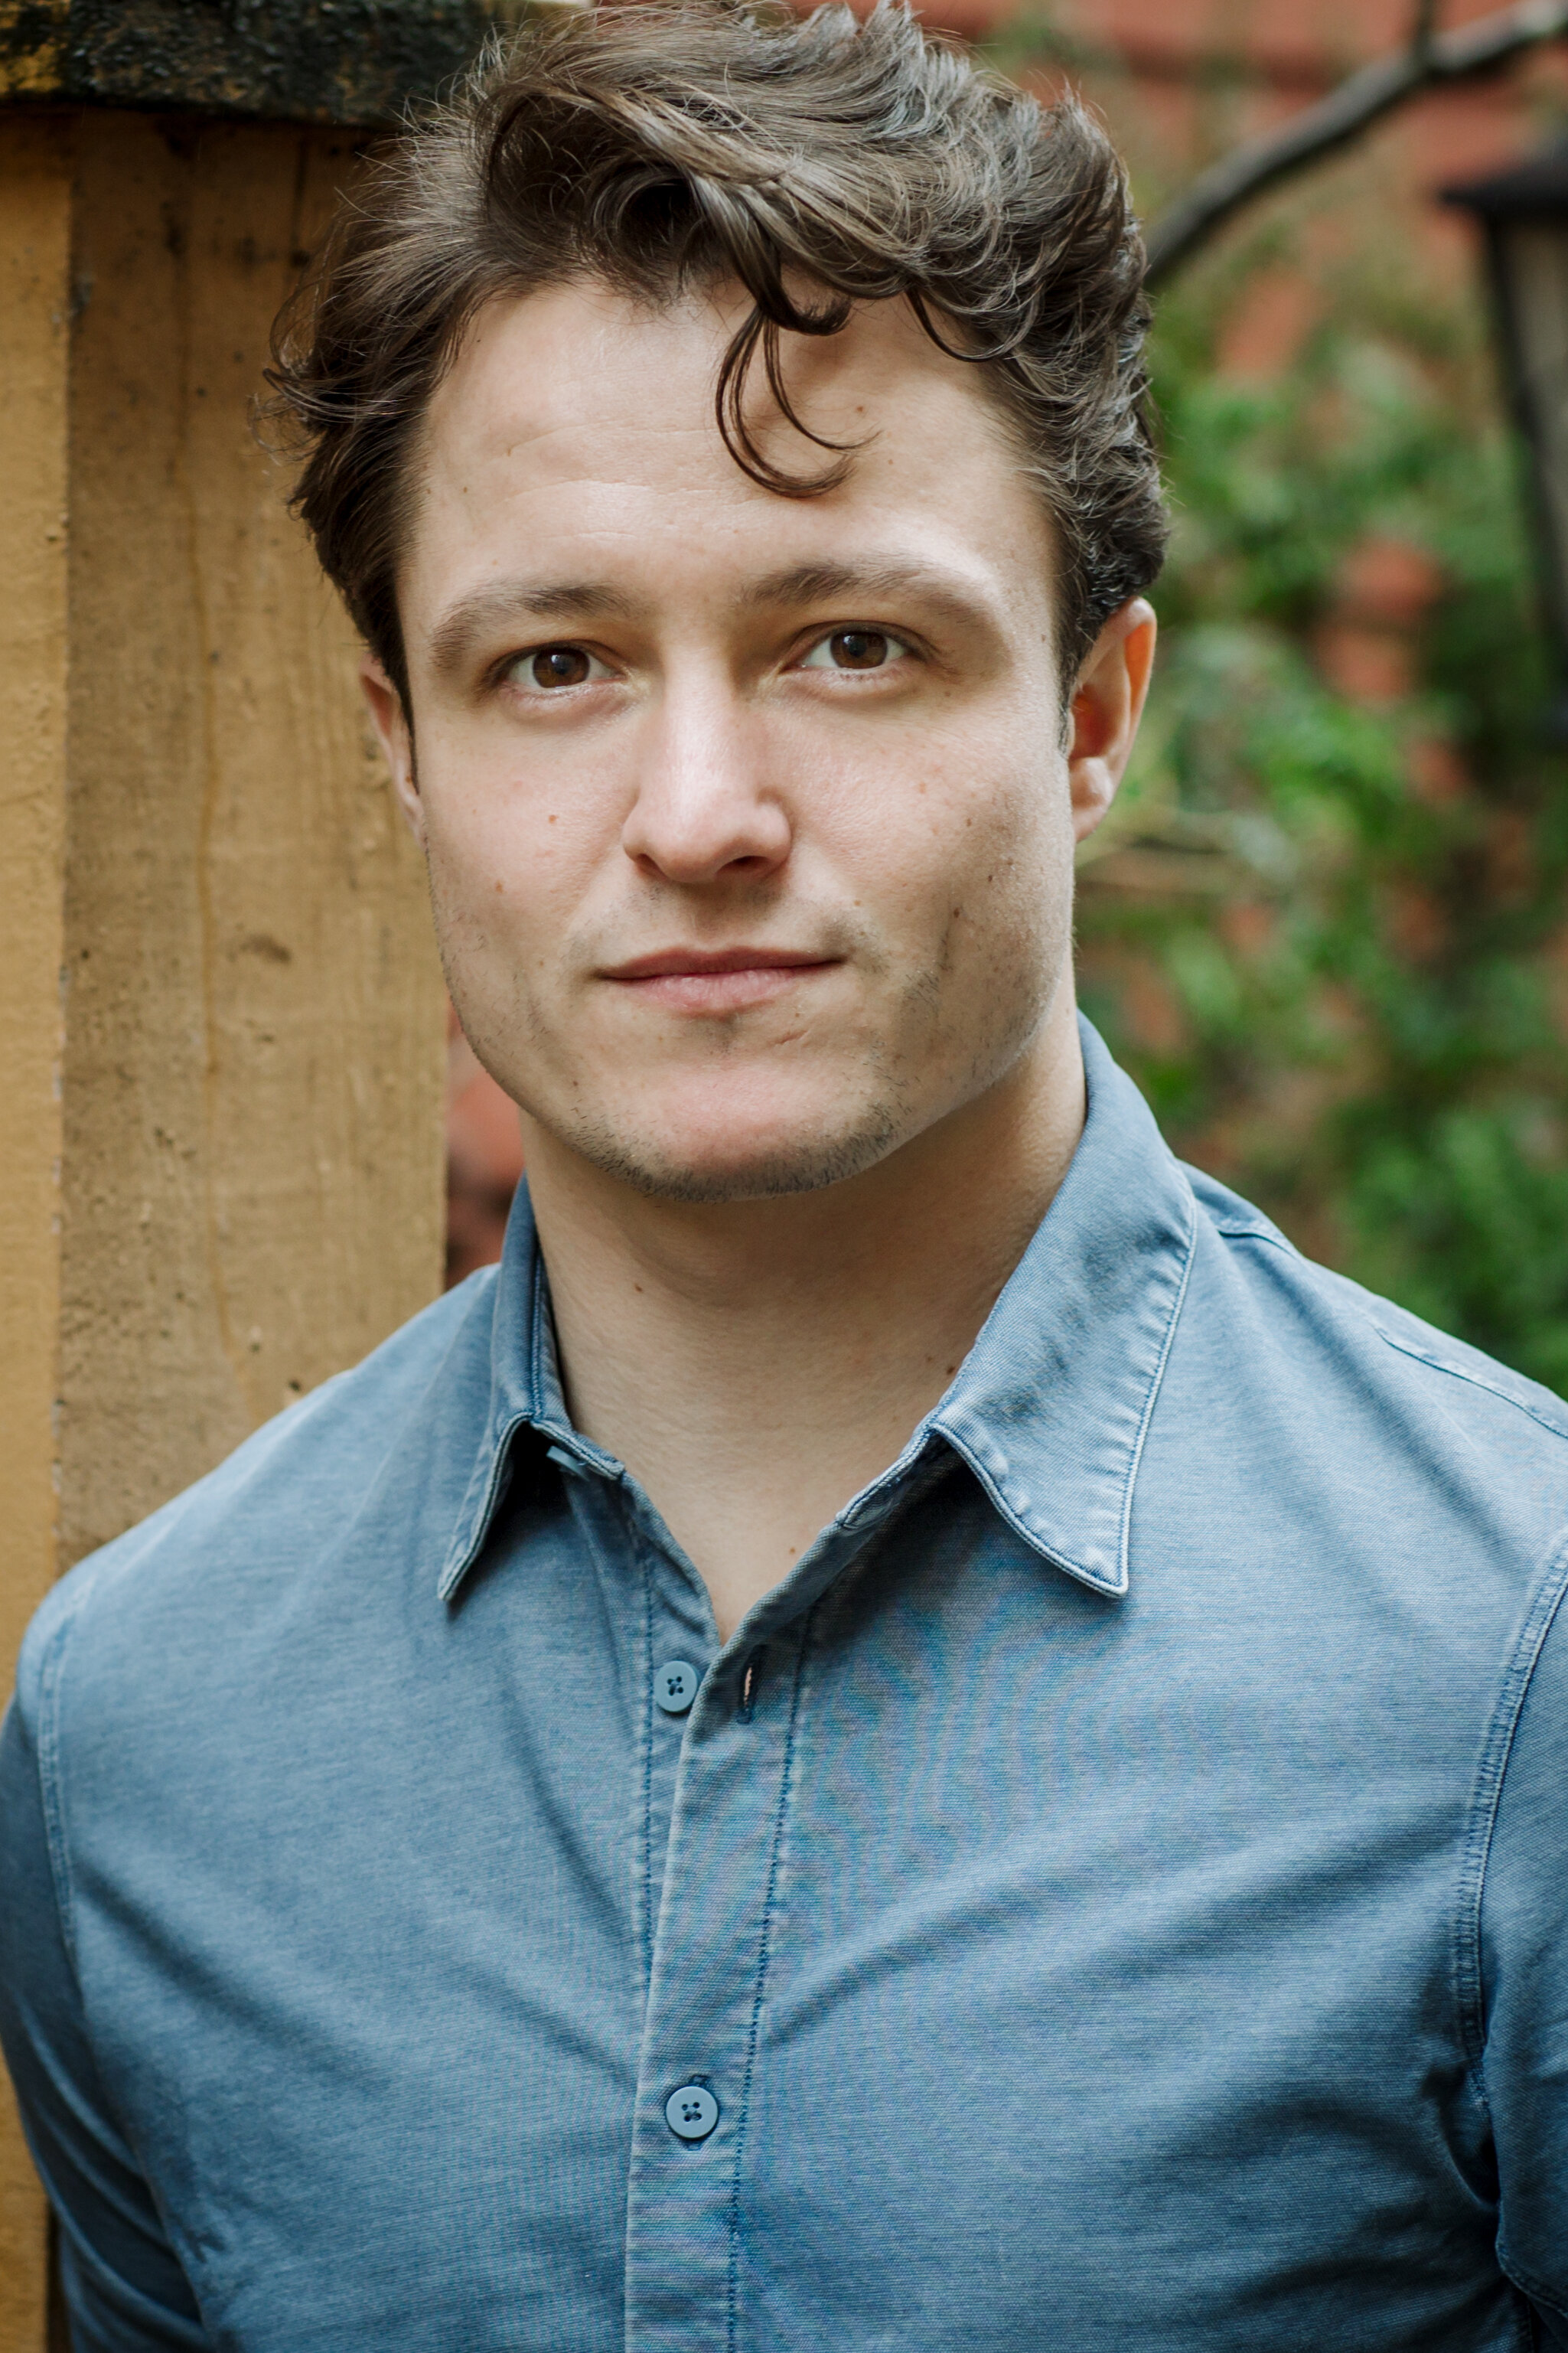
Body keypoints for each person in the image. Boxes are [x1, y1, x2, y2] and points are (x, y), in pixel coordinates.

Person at [2, 5, 1565, 2345]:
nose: (699, 813)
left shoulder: (1516, 1667)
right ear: (401, 748)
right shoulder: (145, 1733)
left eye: (848, 642)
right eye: (555, 664)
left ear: (1089, 713)